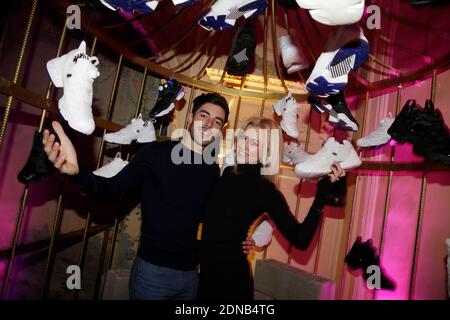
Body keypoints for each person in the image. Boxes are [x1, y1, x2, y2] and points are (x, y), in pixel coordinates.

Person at [42, 93, 264, 300]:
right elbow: (112, 189)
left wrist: (237, 240)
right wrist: (78, 172)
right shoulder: (156, 154)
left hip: (192, 278)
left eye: (217, 122)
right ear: (191, 116)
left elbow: (211, 220)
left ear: (221, 130)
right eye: (203, 115)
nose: (208, 124)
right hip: (153, 275)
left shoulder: (211, 169)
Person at [198, 117, 345, 300]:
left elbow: (300, 239)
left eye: (254, 143)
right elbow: (215, 223)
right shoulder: (228, 173)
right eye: (244, 138)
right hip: (205, 277)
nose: (244, 145)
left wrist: (321, 196)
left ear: (266, 153)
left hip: (230, 284)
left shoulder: (265, 190)